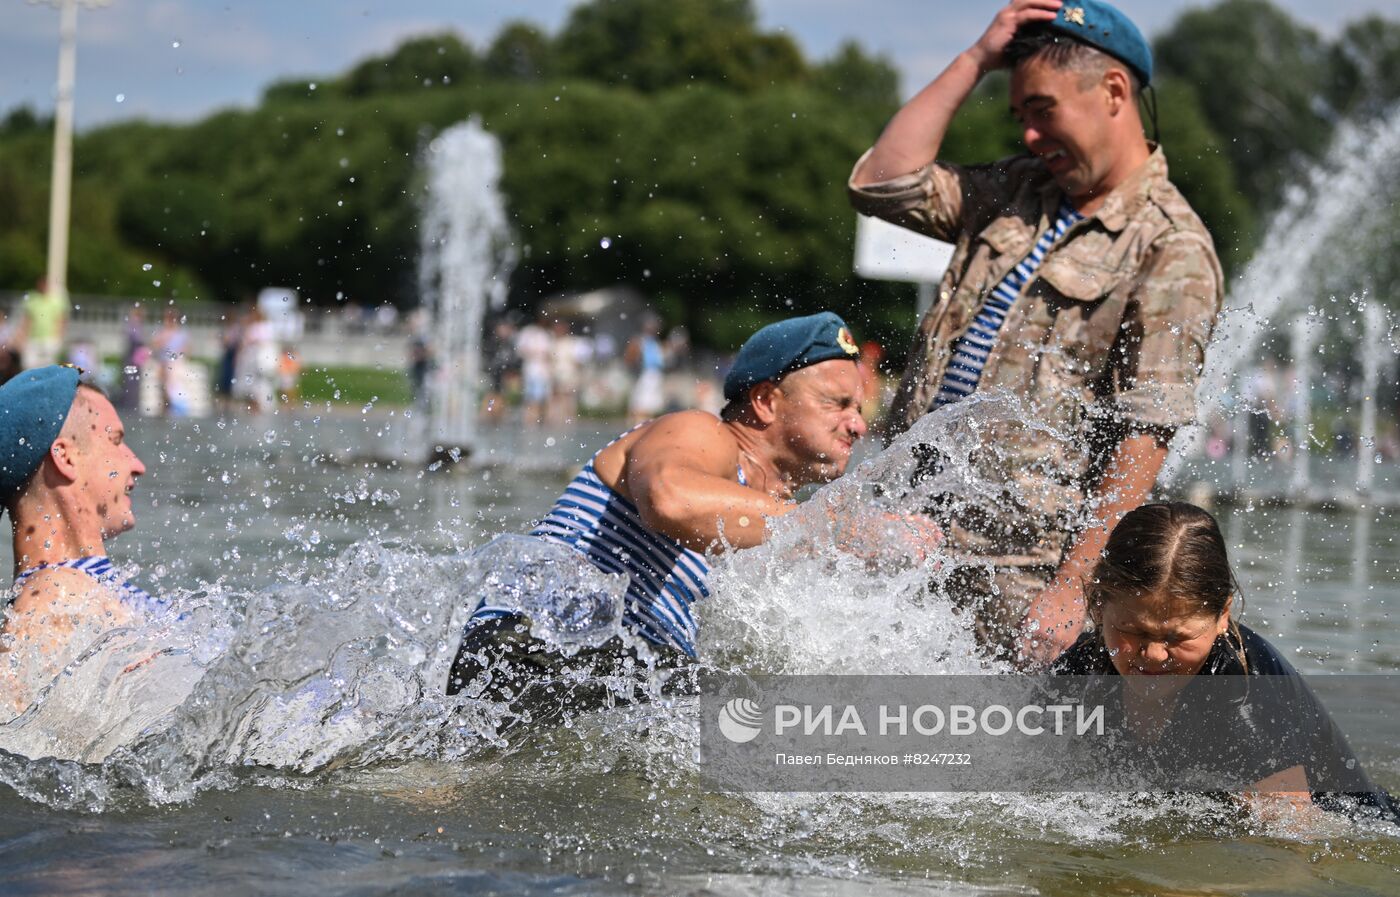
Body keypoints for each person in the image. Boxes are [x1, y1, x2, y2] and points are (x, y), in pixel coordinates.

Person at [847, 0, 1224, 664]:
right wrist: (973, 61)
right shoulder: (1014, 190)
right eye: (1020, 116)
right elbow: (882, 183)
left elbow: (1147, 431)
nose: (1028, 135)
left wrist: (1073, 588)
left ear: (1112, 92)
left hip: (1020, 573)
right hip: (906, 534)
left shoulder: (1170, 244)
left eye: (1043, 110)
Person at [449, 312, 872, 703]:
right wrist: (831, 528)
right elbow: (670, 499)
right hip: (537, 646)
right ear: (765, 401)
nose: (859, 425)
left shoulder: (777, 515)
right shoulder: (701, 433)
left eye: (857, 407)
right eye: (836, 404)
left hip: (629, 675)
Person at [1052, 502, 1398, 822]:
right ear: (1098, 606)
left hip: (1363, 828)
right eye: (1133, 631)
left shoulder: (1244, 693)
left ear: (1222, 615)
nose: (1154, 654)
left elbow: (1297, 846)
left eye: (1177, 638)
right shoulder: (1079, 672)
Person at [0, 366, 163, 715]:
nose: (137, 464)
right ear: (66, 457)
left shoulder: (77, 587)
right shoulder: (54, 597)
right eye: (116, 441)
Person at [16, 278, 70, 370]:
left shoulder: (56, 300)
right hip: (33, 337)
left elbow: (61, 319)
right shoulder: (33, 299)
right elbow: (27, 320)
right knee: (28, 365)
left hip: (49, 338)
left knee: (48, 366)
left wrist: (59, 337)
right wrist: (22, 337)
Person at [626, 316, 667, 425]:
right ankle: (638, 428)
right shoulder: (640, 341)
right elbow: (630, 358)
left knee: (648, 407)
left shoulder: (654, 342)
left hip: (653, 376)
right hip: (645, 375)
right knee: (641, 406)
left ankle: (643, 428)